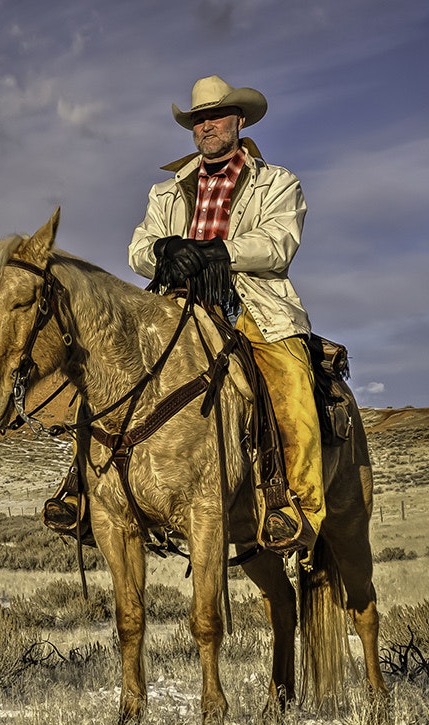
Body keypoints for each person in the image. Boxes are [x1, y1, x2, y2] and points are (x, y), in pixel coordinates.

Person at [128, 75, 323, 552]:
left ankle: (296, 506)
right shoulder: (166, 192)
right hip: (175, 302)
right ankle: (87, 492)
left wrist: (218, 252)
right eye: (199, 119)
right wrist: (164, 249)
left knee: (291, 383)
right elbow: (137, 249)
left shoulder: (276, 182)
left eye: (216, 116)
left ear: (239, 120)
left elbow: (278, 245)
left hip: (251, 301)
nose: (207, 125)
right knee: (107, 368)